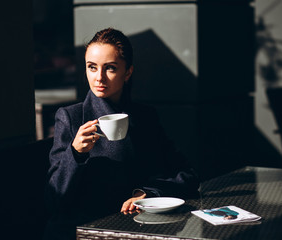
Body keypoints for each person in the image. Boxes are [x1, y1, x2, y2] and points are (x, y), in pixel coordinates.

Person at [43, 28, 200, 240]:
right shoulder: (71, 118)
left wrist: (147, 194)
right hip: (86, 230)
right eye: (92, 67)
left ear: (128, 72)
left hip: (140, 227)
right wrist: (75, 153)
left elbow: (186, 174)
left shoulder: (145, 117)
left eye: (110, 68)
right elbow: (55, 199)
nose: (99, 77)